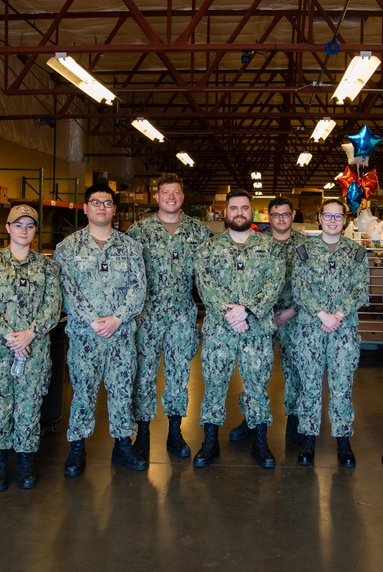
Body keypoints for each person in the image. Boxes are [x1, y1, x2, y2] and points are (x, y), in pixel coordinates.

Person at [54, 183, 147, 476]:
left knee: (122, 389)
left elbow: (139, 287)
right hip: (85, 335)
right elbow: (66, 289)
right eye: (96, 202)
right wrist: (93, 319)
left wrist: (117, 318)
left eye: (107, 203)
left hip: (120, 335)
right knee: (82, 391)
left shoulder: (130, 247)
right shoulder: (67, 248)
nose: (101, 208)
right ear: (85, 208)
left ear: (114, 209)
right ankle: (77, 446)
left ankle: (122, 444)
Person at [0, 204, 62, 491]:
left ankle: (25, 462)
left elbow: (53, 306)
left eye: (30, 225)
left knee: (29, 405)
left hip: (33, 350)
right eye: (18, 225)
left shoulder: (48, 267)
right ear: (8, 228)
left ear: (36, 231)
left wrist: (30, 333)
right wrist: (11, 336)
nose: (24, 230)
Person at [193, 189, 285, 469]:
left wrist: (246, 310)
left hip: (256, 331)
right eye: (234, 208)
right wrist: (229, 312)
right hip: (219, 332)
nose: (239, 213)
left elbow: (274, 285)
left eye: (245, 208)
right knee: (213, 386)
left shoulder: (271, 248)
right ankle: (209, 443)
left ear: (251, 211)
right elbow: (205, 286)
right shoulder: (208, 249)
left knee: (257, 387)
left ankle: (260, 442)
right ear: (226, 212)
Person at [127, 174, 212, 460]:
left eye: (176, 192)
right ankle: (144, 432)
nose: (171, 197)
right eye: (166, 193)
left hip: (181, 315)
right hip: (147, 314)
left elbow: (212, 273)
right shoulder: (138, 232)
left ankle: (175, 432)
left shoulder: (198, 233)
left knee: (179, 375)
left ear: (182, 197)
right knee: (144, 375)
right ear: (157, 197)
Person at [291, 200, 369, 467]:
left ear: (345, 221)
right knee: (309, 385)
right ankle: (308, 440)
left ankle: (343, 441)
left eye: (338, 216)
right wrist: (321, 314)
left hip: (343, 330)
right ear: (320, 218)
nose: (333, 220)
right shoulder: (303, 251)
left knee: (341, 387)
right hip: (310, 328)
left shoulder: (357, 253)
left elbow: (360, 290)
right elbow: (299, 288)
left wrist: (338, 315)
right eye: (328, 215)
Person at [228, 196, 306, 443]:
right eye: (276, 214)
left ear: (293, 216)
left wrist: (292, 310)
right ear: (268, 218)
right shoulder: (256, 244)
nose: (281, 218)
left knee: (295, 371)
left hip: (294, 317)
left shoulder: (306, 247)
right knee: (255, 371)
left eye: (285, 214)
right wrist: (258, 309)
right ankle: (251, 419)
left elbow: (312, 285)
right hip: (261, 317)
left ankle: (294, 422)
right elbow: (246, 284)